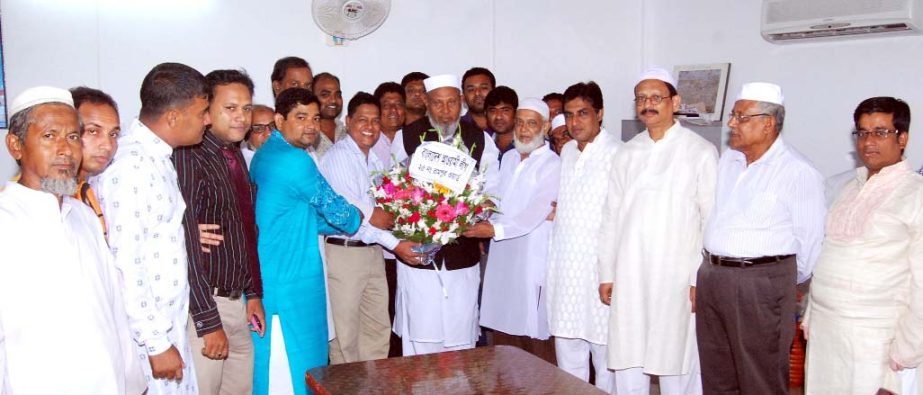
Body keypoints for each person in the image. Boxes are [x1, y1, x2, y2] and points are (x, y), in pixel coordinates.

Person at [0, 86, 145, 394]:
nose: (65, 150)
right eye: (50, 136)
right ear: (15, 145)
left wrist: (131, 383)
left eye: (74, 137)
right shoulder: (5, 219)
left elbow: (114, 310)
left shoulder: (83, 216)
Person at [697, 82, 825, 394]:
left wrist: (775, 283)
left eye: (740, 117)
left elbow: (811, 243)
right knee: (716, 373)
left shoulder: (797, 171)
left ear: (767, 123)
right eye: (733, 115)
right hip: (713, 276)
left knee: (759, 376)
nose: (731, 124)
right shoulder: (729, 160)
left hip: (760, 283)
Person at [94, 62, 211, 394]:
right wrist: (156, 342)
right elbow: (126, 261)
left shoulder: (158, 157)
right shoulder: (132, 165)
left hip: (168, 323)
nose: (208, 119)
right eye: (202, 111)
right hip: (147, 338)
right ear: (173, 117)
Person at [598, 67, 716, 394]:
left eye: (656, 98)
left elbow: (710, 221)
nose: (648, 104)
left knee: (676, 356)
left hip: (677, 276)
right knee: (628, 352)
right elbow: (611, 217)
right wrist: (607, 272)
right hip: (631, 272)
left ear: (674, 102)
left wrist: (698, 280)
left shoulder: (700, 152)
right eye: (641, 98)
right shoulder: (627, 152)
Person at [249, 87, 366, 395]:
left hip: (279, 270)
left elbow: (306, 216)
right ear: (279, 119)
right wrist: (357, 215)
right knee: (289, 370)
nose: (311, 125)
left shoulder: (266, 154)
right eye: (301, 117)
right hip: (288, 278)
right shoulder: (294, 161)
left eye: (315, 117)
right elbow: (343, 215)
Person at [804, 97, 923, 394]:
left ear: (903, 138)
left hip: (876, 341)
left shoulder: (915, 195)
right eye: (863, 132)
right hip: (825, 332)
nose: (869, 141)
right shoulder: (847, 188)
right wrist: (810, 315)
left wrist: (907, 349)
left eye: (881, 132)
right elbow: (829, 254)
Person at [390, 74, 500, 356]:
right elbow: (394, 189)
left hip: (462, 256)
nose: (445, 110)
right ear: (426, 103)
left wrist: (474, 212)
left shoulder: (481, 139)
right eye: (437, 103)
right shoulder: (406, 137)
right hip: (420, 258)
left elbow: (493, 190)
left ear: (461, 103)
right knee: (421, 335)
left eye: (451, 102)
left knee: (460, 335)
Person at [172, 69, 266, 394]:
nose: (241, 117)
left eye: (247, 108)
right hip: (206, 304)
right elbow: (181, 237)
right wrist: (207, 320)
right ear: (207, 110)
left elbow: (245, 230)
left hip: (237, 301)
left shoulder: (236, 155)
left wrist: (253, 294)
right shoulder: (189, 154)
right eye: (231, 108)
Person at [320, 92, 422, 364]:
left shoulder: (374, 160)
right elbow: (354, 216)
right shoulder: (339, 156)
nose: (370, 126)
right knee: (346, 336)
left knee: (377, 330)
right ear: (348, 121)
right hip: (345, 253)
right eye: (362, 120)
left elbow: (384, 212)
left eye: (375, 120)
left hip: (373, 251)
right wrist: (396, 244)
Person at [467, 98, 560, 364]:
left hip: (531, 253)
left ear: (545, 127)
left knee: (532, 333)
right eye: (520, 123)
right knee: (502, 328)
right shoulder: (507, 157)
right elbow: (496, 194)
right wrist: (481, 207)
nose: (524, 130)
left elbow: (534, 213)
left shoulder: (551, 164)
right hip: (502, 254)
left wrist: (491, 229)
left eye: (532, 124)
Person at [545, 81, 619, 393]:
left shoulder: (619, 155)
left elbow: (619, 219)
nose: (575, 122)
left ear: (600, 114)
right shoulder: (568, 154)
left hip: (600, 274)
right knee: (568, 353)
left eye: (583, 114)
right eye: (570, 115)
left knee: (605, 357)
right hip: (566, 273)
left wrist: (610, 273)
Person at [70, 86, 121, 237]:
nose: (107, 145)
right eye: (93, 131)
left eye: (113, 134)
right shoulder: (45, 196)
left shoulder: (86, 191)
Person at [312, 72, 345, 157]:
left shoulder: (348, 133)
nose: (333, 100)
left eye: (338, 95)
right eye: (325, 95)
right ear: (312, 97)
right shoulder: (307, 134)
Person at [371, 82, 405, 166]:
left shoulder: (414, 141)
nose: (393, 110)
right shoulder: (368, 142)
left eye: (398, 104)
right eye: (386, 105)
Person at [485, 85, 518, 157]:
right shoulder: (482, 141)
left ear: (516, 113)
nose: (498, 116)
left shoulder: (527, 143)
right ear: (486, 114)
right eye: (493, 110)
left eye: (505, 110)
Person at [460, 67, 495, 132]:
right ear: (463, 97)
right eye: (471, 90)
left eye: (484, 88)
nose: (477, 93)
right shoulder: (455, 129)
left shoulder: (509, 127)